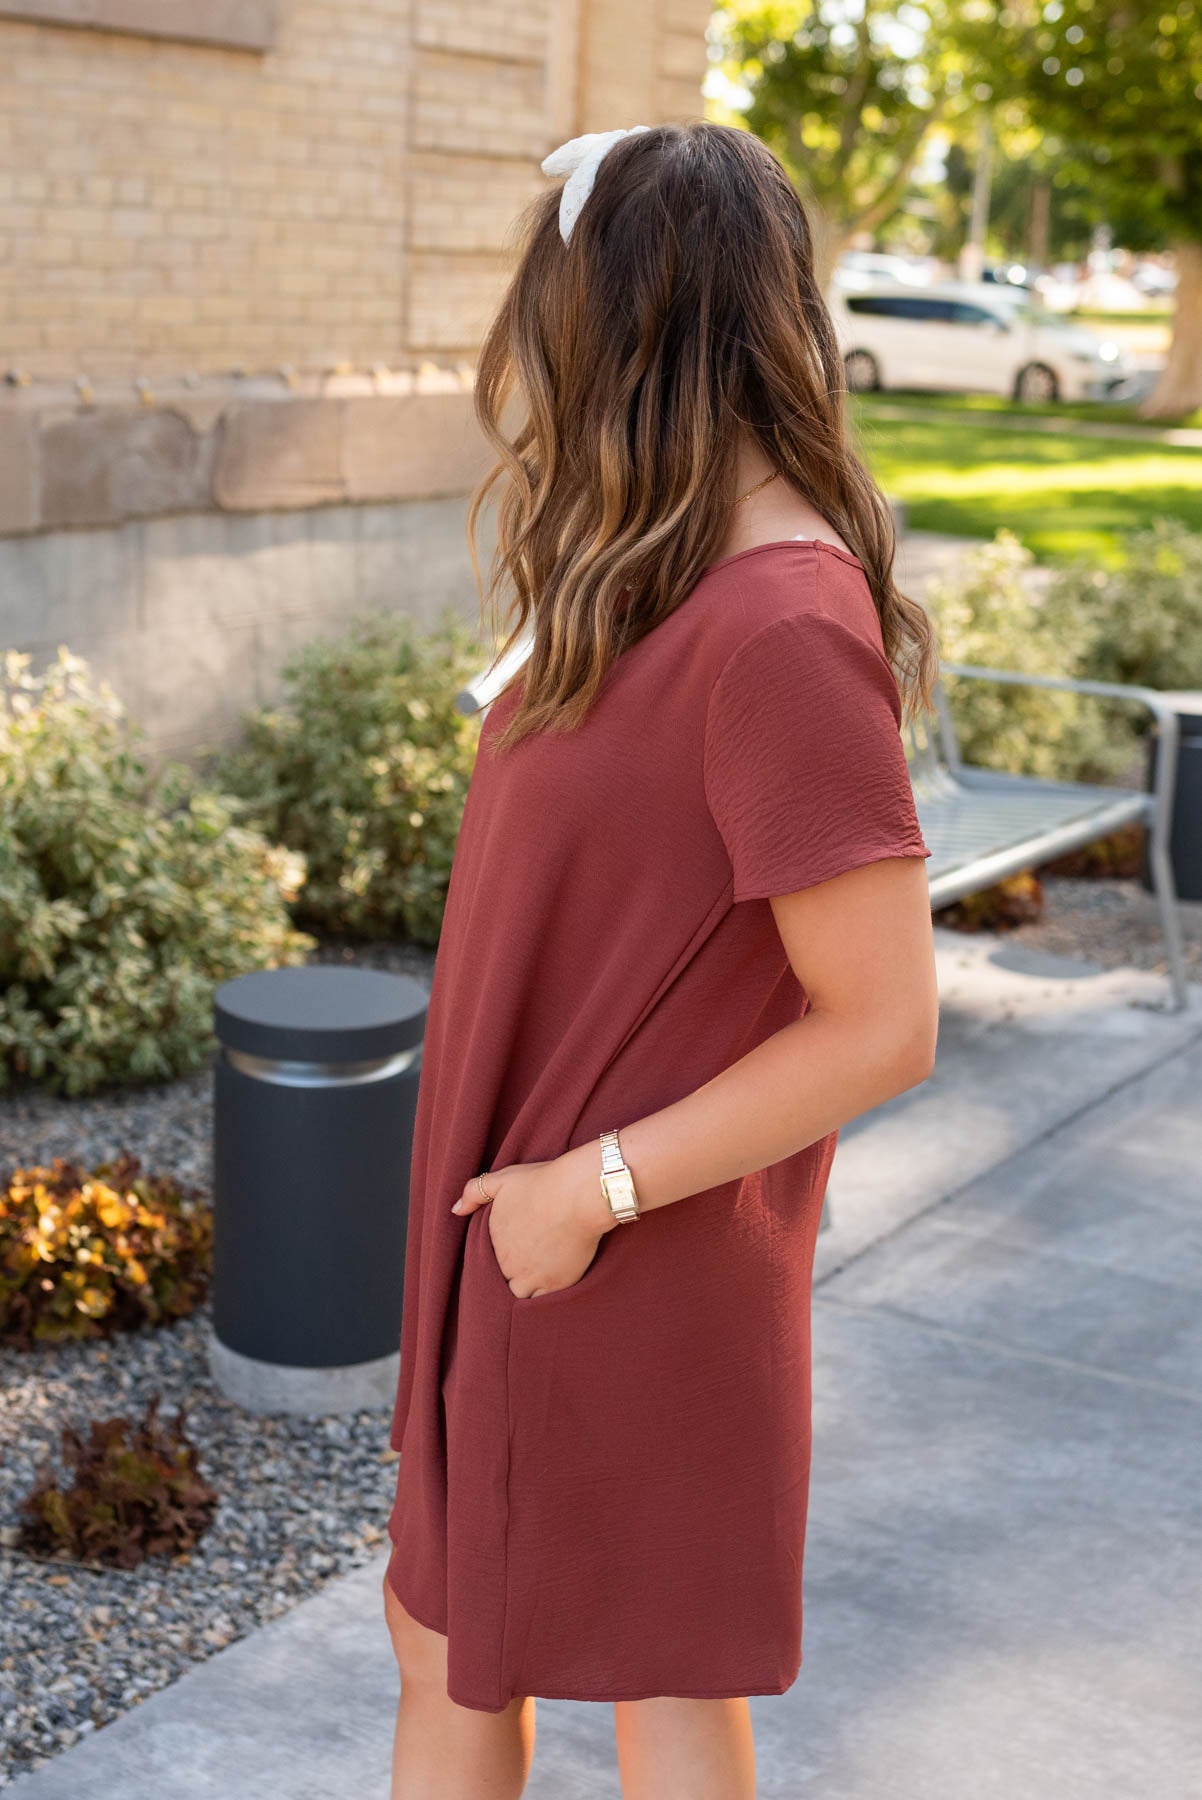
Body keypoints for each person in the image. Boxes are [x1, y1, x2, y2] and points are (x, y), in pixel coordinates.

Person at [381, 119, 940, 1800]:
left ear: (624, 330)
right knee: (461, 1649)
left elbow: (883, 1020)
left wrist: (591, 1190)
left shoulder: (778, 626)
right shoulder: (646, 571)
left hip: (621, 1236)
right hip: (530, 1217)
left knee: (648, 1677)